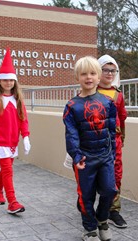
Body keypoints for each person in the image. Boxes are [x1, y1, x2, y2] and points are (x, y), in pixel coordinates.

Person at [63, 56, 117, 241]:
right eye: (84, 74)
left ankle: (102, 219)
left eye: (93, 73)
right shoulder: (71, 106)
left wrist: (113, 154)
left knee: (110, 190)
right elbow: (71, 134)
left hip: (105, 156)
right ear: (77, 77)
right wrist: (76, 156)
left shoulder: (108, 103)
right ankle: (90, 228)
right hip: (84, 159)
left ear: (99, 75)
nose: (89, 77)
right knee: (86, 196)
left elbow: (111, 130)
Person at [0, 48, 31, 214]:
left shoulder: (18, 100)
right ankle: (13, 202)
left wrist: (25, 137)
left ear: (15, 82)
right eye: (5, 80)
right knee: (8, 171)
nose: (8, 83)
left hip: (12, 141)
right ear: (0, 81)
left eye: (11, 80)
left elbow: (23, 119)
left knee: (6, 169)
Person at [98, 54, 127, 228]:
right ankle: (89, 207)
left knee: (116, 175)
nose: (109, 74)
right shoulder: (90, 91)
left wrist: (122, 137)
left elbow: (122, 118)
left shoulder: (119, 95)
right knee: (94, 176)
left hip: (114, 142)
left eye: (112, 70)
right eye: (105, 70)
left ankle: (113, 210)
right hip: (95, 141)